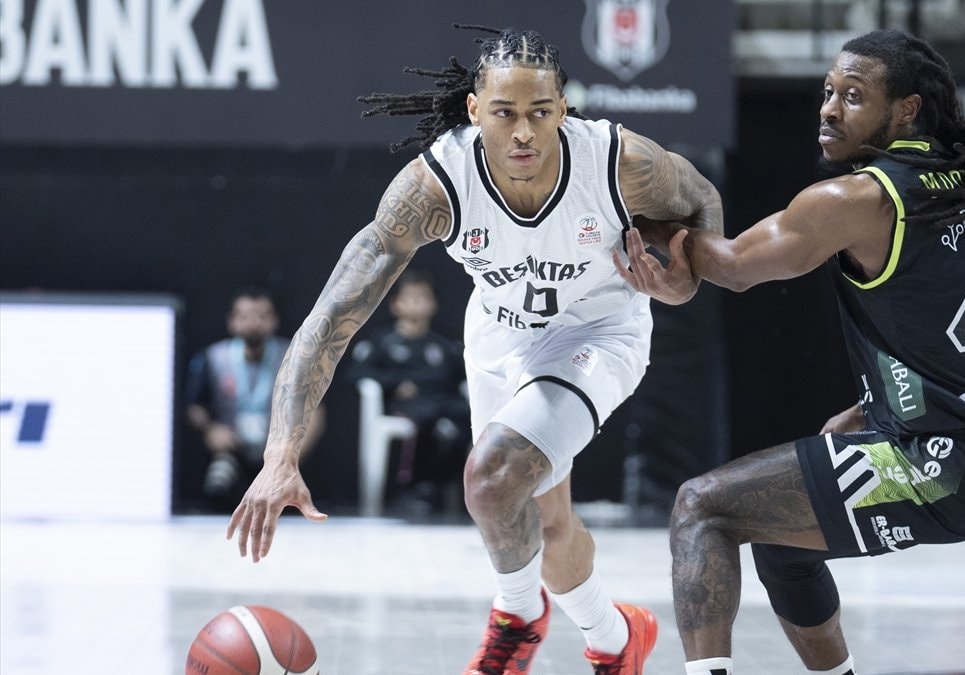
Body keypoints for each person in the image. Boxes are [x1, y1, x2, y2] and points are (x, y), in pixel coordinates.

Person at [225, 24, 722, 675]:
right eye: (505, 113)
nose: (523, 132)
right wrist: (280, 453)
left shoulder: (618, 162)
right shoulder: (436, 186)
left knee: (490, 476)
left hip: (597, 331)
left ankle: (516, 618)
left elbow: (702, 200)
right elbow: (330, 319)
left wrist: (685, 282)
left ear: (563, 108)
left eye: (540, 112)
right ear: (474, 109)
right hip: (498, 333)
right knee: (546, 524)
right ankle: (614, 638)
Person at [617, 29, 965, 675]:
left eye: (853, 96)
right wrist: (875, 404)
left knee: (700, 506)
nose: (828, 109)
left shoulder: (860, 198)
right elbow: (938, 320)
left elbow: (732, 265)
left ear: (905, 110)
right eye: (827, 92)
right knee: (781, 539)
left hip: (941, 459)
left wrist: (634, 216)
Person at [185, 287, 324, 511]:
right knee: (218, 484)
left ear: (274, 320)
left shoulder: (293, 357)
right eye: (245, 317)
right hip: (232, 449)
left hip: (279, 452)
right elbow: (195, 406)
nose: (253, 323)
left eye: (261, 316)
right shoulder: (213, 357)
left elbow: (315, 410)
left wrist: (293, 455)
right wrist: (210, 429)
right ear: (231, 321)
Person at [348, 269, 470, 517]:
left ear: (433, 304)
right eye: (410, 298)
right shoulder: (383, 342)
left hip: (442, 402)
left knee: (465, 417)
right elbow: (358, 373)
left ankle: (456, 487)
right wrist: (397, 384)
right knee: (427, 416)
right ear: (396, 304)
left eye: (422, 297)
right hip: (406, 406)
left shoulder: (443, 345)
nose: (416, 303)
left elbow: (461, 376)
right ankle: (417, 488)